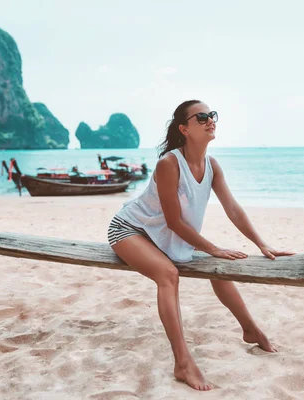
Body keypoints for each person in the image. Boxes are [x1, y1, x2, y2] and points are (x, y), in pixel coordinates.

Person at [107, 100, 294, 391]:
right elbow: (173, 221)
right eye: (202, 117)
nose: (211, 120)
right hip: (130, 230)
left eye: (213, 115)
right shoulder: (169, 163)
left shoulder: (212, 166)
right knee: (168, 275)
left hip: (166, 237)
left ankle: (250, 329)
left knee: (219, 267)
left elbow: (233, 208)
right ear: (184, 129)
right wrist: (212, 247)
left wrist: (261, 244)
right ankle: (182, 362)